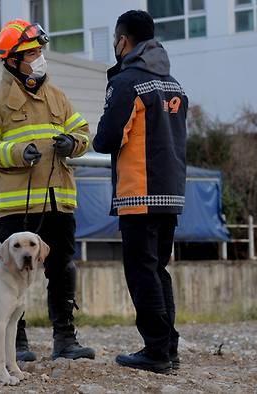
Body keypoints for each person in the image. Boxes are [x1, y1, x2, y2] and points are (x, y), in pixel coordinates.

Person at [0, 19, 95, 362]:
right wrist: (16, 153)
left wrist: (73, 143)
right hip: (18, 204)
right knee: (10, 271)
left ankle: (65, 340)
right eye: (32, 53)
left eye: (41, 50)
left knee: (63, 266)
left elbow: (84, 133)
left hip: (58, 198)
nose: (40, 57)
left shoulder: (57, 95)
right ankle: (17, 342)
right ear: (12, 60)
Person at [92, 10, 188, 373]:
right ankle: (168, 346)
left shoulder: (128, 81)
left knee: (141, 272)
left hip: (138, 194)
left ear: (122, 41)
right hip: (171, 194)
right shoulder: (174, 83)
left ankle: (156, 351)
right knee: (158, 269)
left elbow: (107, 138)